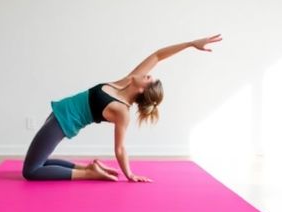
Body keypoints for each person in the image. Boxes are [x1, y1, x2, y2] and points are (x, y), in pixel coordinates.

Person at [22, 34, 223, 182]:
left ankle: (88, 174)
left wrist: (130, 174)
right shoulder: (126, 82)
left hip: (63, 123)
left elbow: (120, 147)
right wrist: (189, 44)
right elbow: (158, 55)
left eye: (147, 77)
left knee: (30, 171)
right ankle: (89, 168)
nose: (146, 73)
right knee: (41, 161)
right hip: (58, 113)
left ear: (142, 89)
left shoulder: (121, 111)